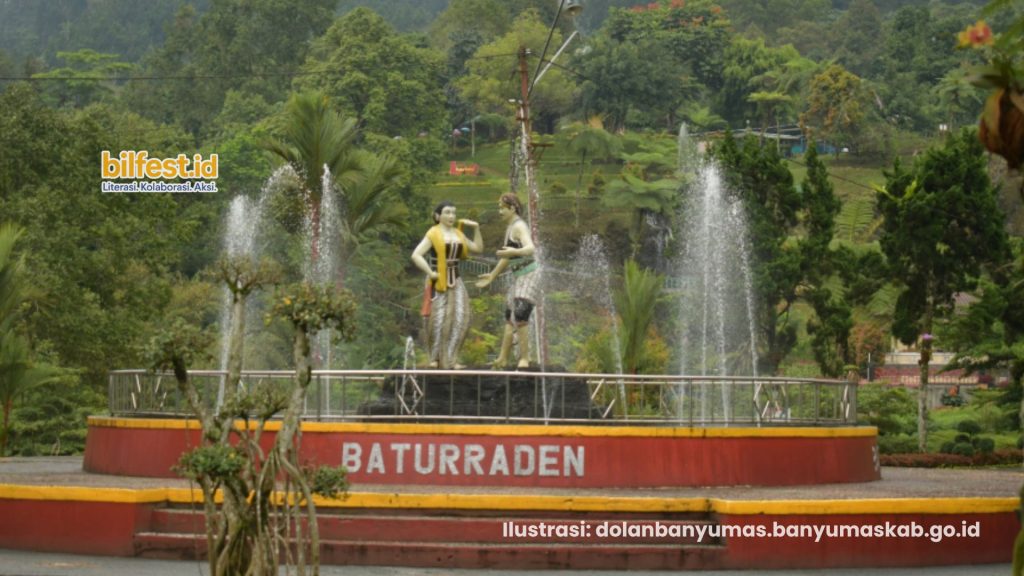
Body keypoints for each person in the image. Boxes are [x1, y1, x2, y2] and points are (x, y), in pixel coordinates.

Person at [411, 201, 482, 369]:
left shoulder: (458, 234)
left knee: (461, 316)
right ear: (438, 216)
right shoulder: (433, 233)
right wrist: (430, 272)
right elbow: (416, 255)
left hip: (455, 279)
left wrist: (476, 228)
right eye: (447, 212)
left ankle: (451, 359)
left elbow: (478, 248)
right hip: (438, 280)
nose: (451, 216)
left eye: (453, 213)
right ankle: (434, 358)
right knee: (437, 318)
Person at [476, 193, 538, 369]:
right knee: (509, 315)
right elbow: (506, 257)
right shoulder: (511, 227)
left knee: (520, 313)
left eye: (502, 208)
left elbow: (530, 248)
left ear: (512, 208)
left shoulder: (519, 226)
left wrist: (514, 252)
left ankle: (525, 358)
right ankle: (502, 358)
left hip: (530, 275)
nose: (499, 211)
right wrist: (492, 275)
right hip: (519, 277)